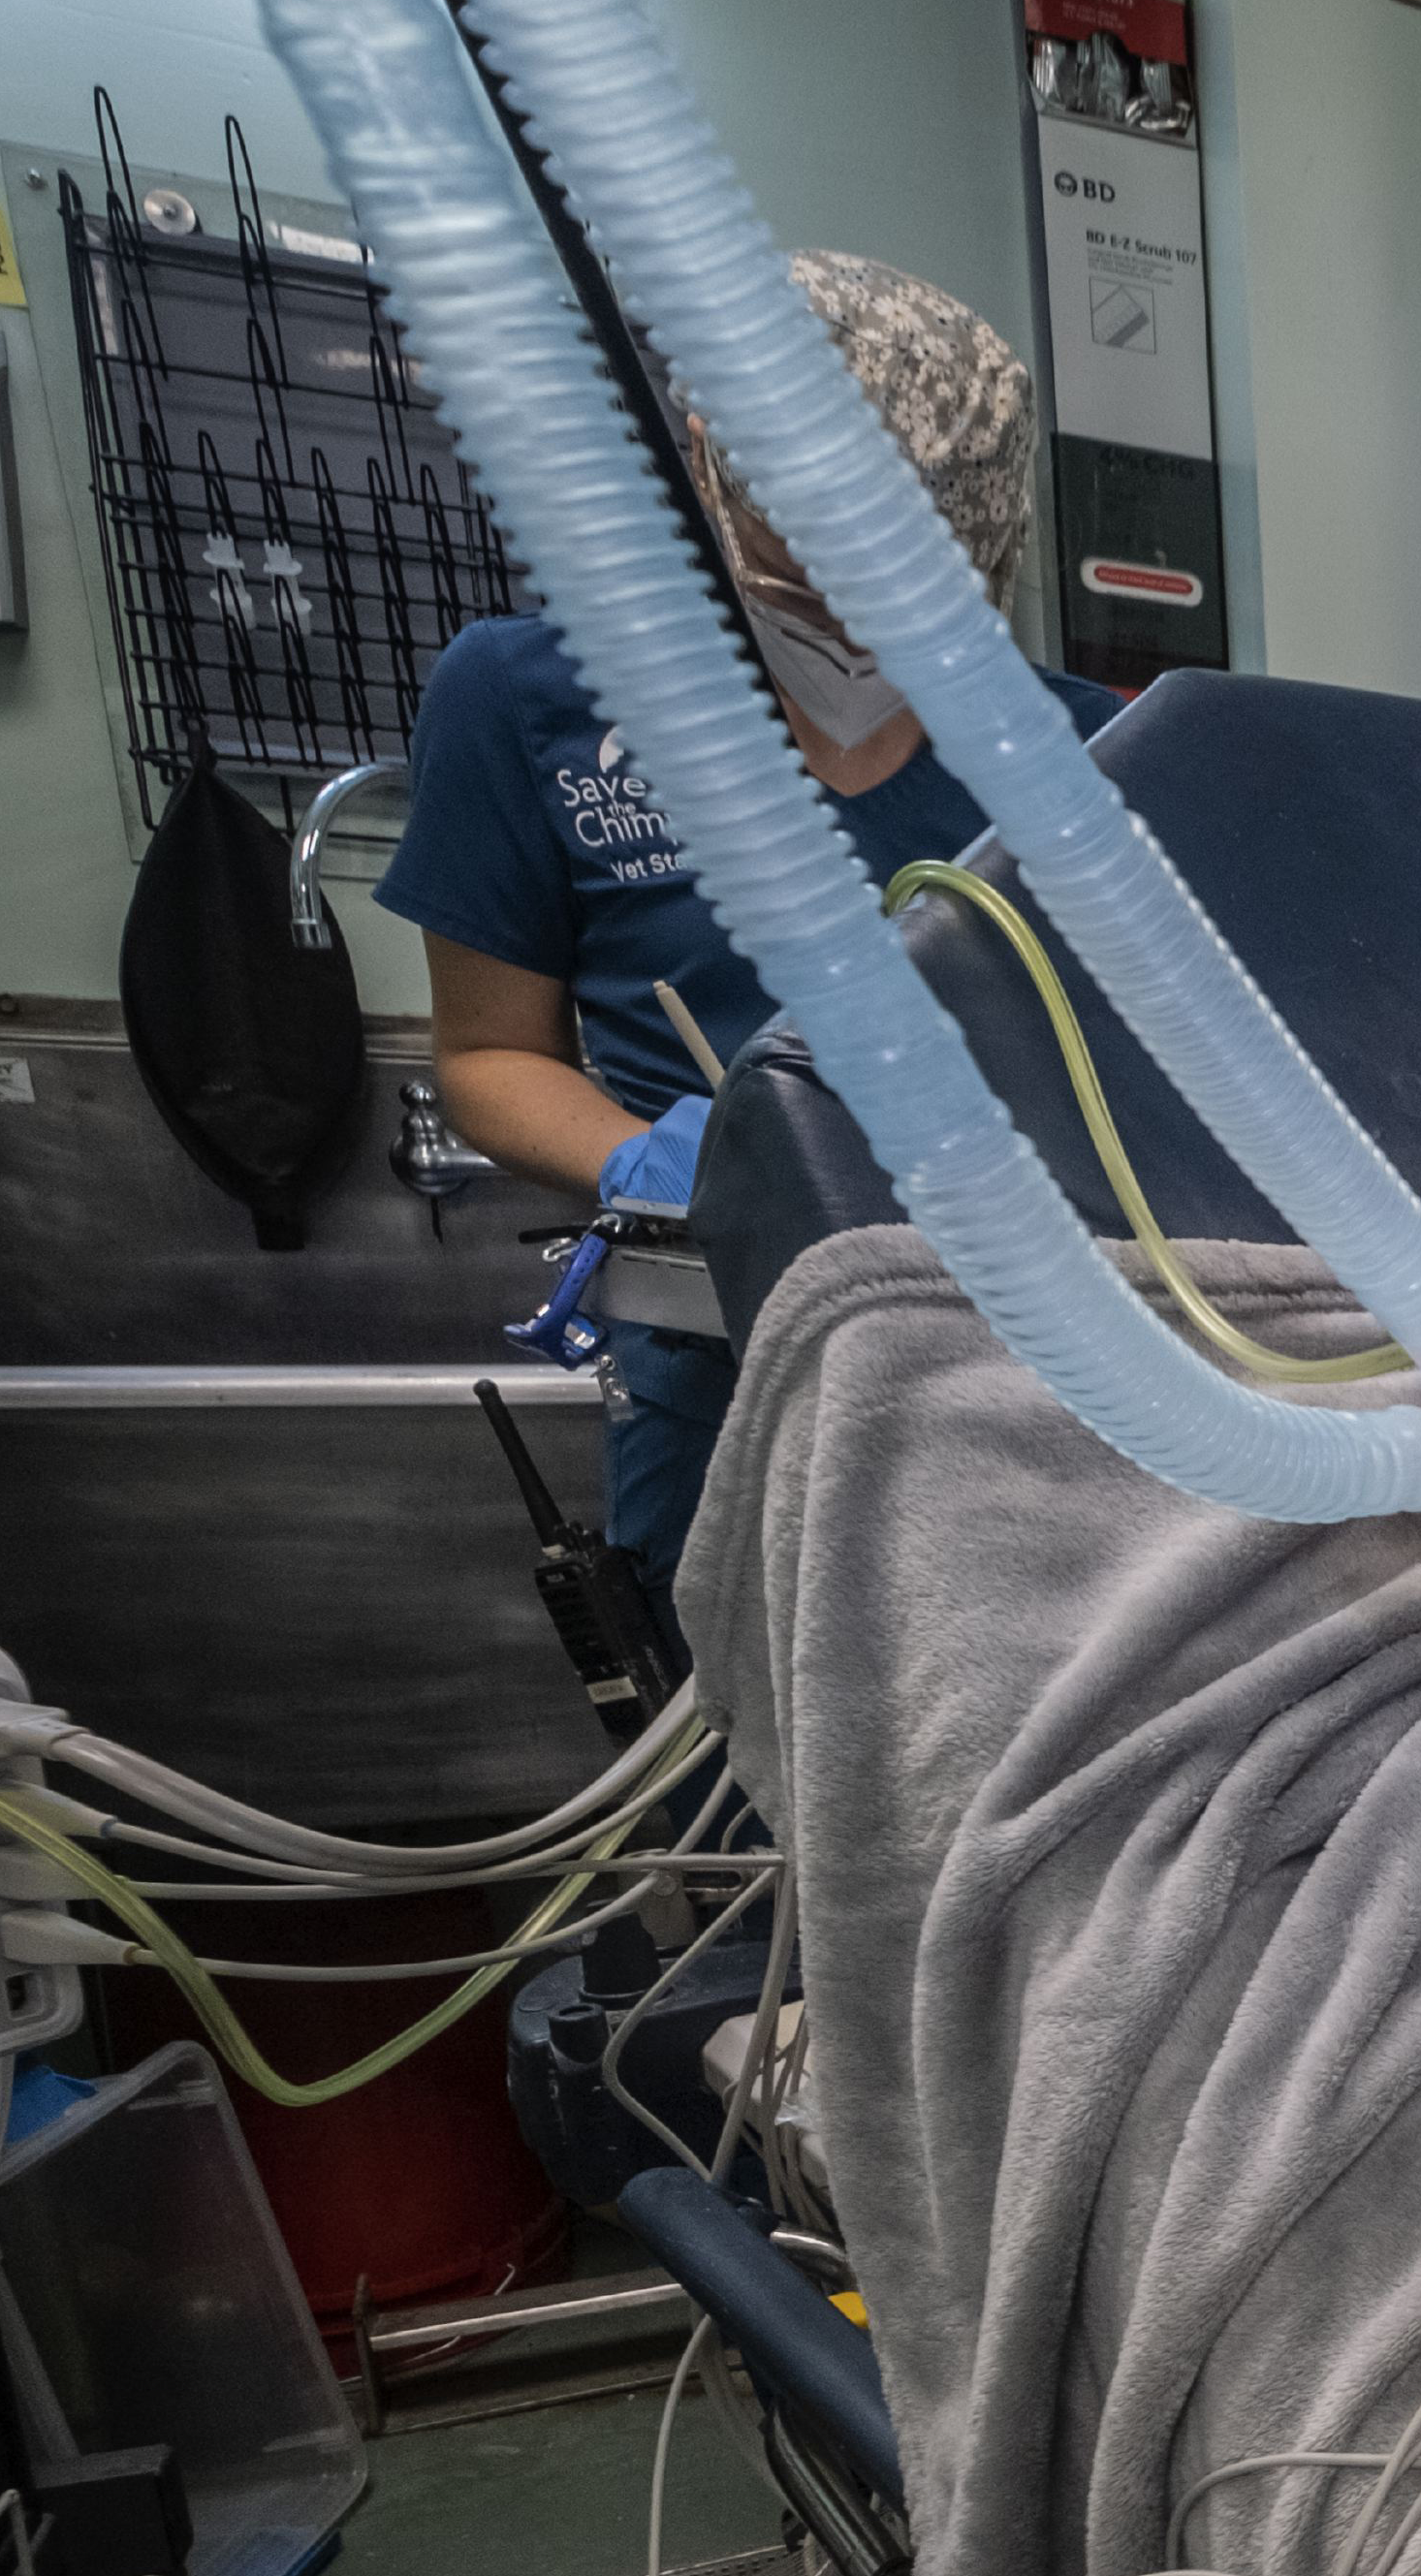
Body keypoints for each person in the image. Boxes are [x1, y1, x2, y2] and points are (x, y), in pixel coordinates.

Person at [375, 250, 1121, 1588]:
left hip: (1028, 1378)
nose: (852, 620)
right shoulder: (534, 703)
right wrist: (661, 1162)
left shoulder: (1077, 749)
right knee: (734, 1771)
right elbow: (491, 1061)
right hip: (726, 1363)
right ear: (710, 459)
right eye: (817, 566)